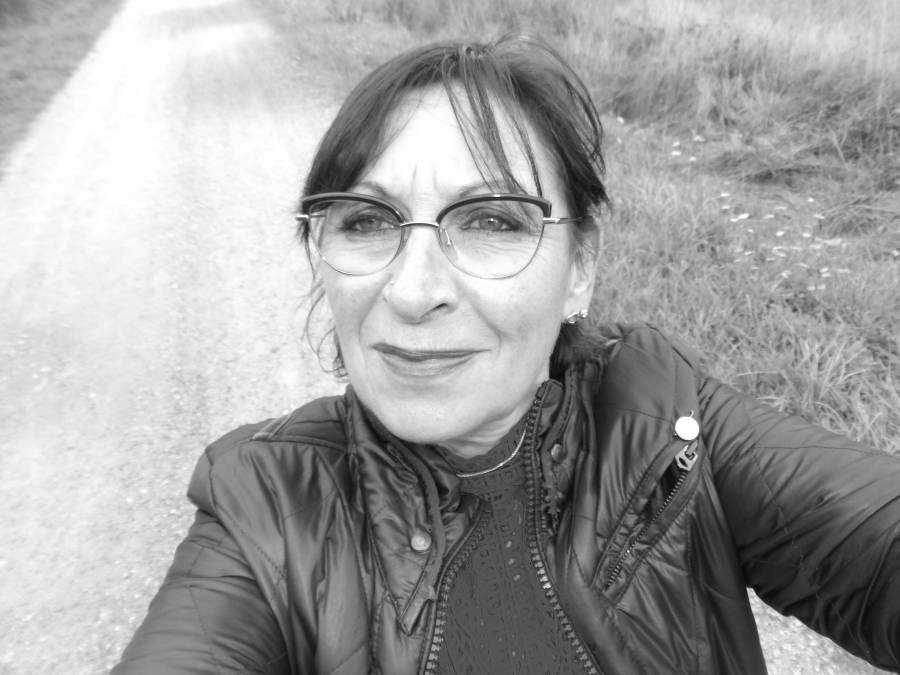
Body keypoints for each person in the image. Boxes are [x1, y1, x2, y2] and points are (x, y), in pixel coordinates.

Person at [114, 34, 900, 674]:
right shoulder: (265, 501)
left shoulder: (669, 422)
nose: (413, 291)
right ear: (320, 253)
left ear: (580, 266)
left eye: (492, 221)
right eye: (365, 221)